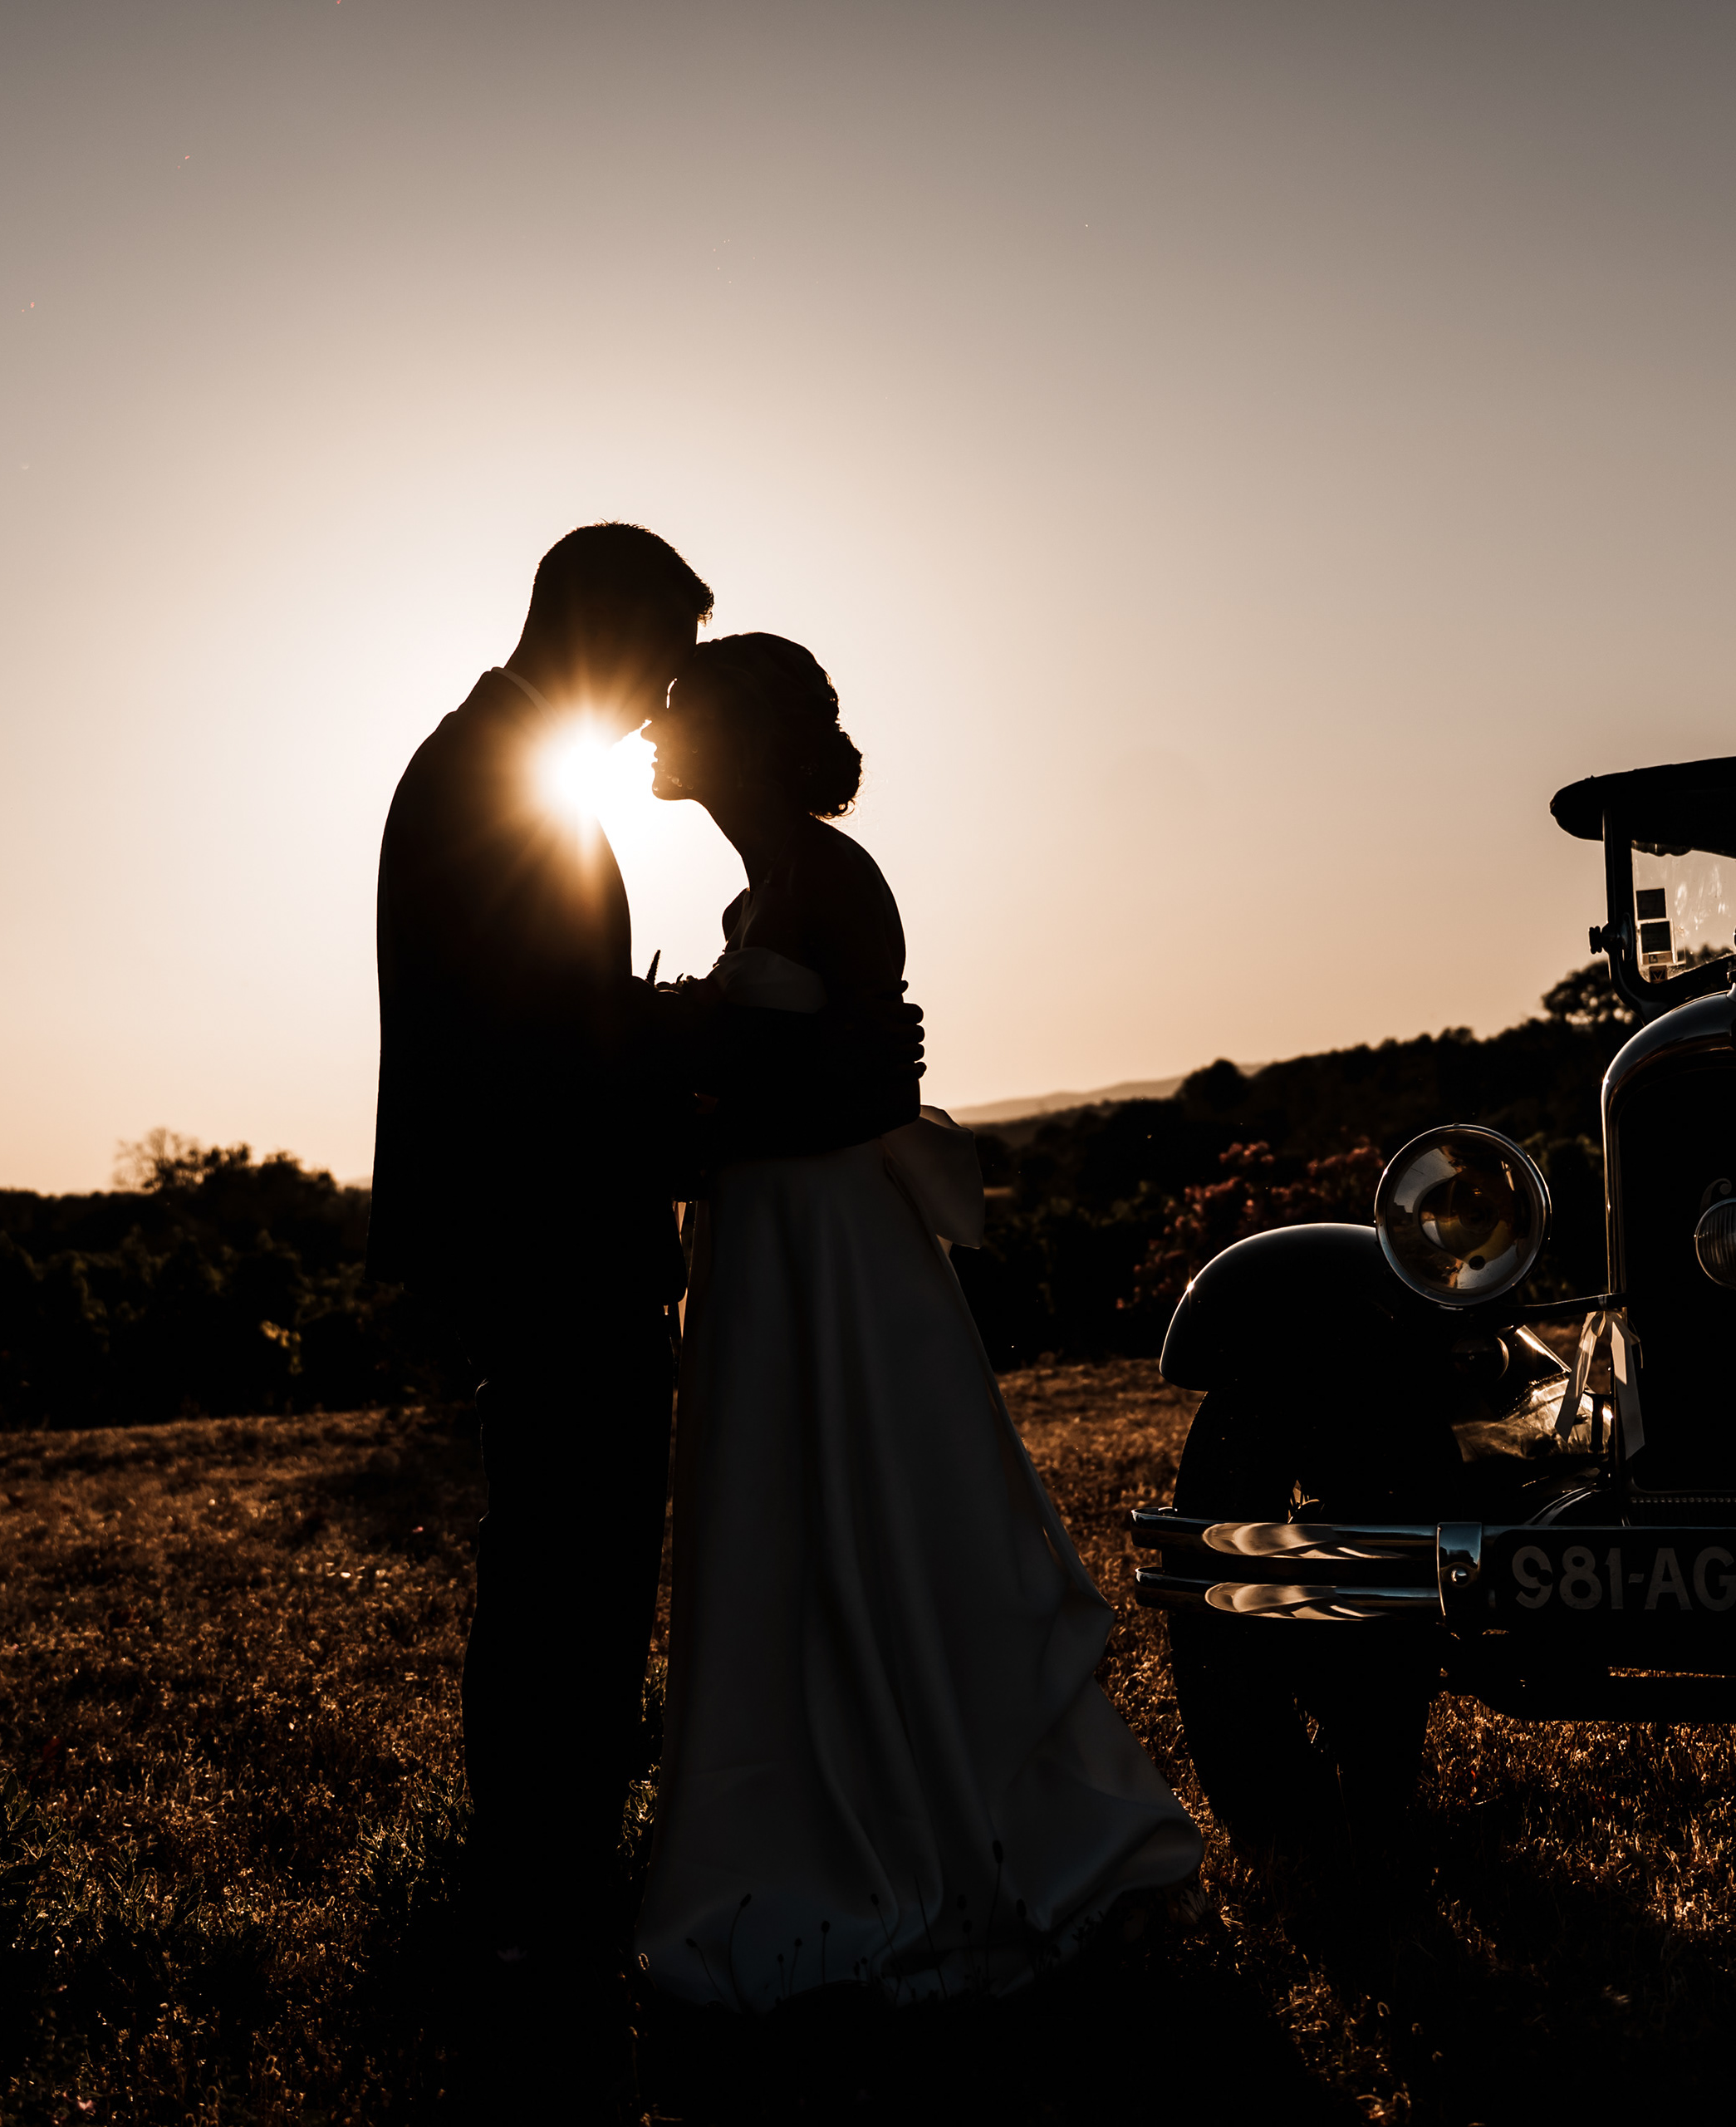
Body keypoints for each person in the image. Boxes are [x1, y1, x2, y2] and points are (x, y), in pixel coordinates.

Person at [369, 525, 922, 1957]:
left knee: (576, 1556)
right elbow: (547, 1052)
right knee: (569, 1561)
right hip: (550, 1233)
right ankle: (542, 1879)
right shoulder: (490, 785)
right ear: (598, 629)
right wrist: (720, 1050)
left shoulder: (493, 772)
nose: (665, 694)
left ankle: (548, 1864)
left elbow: (568, 1023)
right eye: (663, 657)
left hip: (556, 1225)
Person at [631, 634, 1200, 2010]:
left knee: (885, 1508)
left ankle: (973, 1834)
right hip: (766, 1242)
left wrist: (685, 1072)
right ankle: (815, 1806)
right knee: (785, 1524)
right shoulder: (757, 893)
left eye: (677, 706)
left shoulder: (833, 878)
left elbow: (867, 1084)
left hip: (832, 1243)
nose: (649, 724)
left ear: (748, 737)